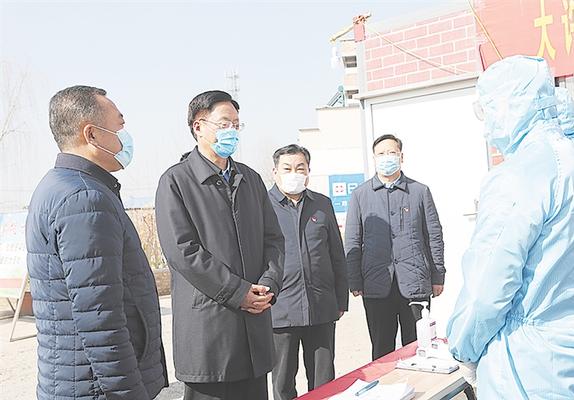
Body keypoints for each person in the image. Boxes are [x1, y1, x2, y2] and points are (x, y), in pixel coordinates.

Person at [447, 55, 574, 399]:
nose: (487, 127)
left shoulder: (518, 177)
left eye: (489, 110)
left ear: (512, 106)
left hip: (527, 367)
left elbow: (488, 288)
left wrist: (463, 349)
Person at [26, 85, 168, 399]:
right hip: (96, 388)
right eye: (119, 126)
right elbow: (101, 318)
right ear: (91, 134)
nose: (125, 137)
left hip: (77, 380)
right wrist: (129, 393)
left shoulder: (59, 186)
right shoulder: (85, 198)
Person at [155, 90, 284, 400]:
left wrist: (268, 285)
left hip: (254, 330)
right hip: (209, 332)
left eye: (237, 125)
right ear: (198, 126)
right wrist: (238, 293)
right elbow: (183, 251)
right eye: (224, 123)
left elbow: (273, 240)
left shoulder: (250, 179)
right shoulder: (176, 182)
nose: (232, 131)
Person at [345, 134, 445, 361]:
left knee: (418, 347)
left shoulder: (420, 192)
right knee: (382, 350)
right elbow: (352, 240)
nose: (386, 157)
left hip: (415, 282)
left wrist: (438, 274)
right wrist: (354, 280)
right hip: (376, 284)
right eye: (381, 154)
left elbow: (434, 235)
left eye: (391, 152)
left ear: (401, 156)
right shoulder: (360, 195)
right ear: (374, 158)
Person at [268, 144, 348, 400]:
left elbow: (337, 255)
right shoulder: (262, 207)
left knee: (323, 381)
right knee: (283, 382)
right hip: (280, 309)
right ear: (275, 172)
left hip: (320, 306)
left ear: (308, 172)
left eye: (300, 168)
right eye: (287, 168)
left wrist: (341, 300)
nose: (294, 173)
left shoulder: (322, 204)